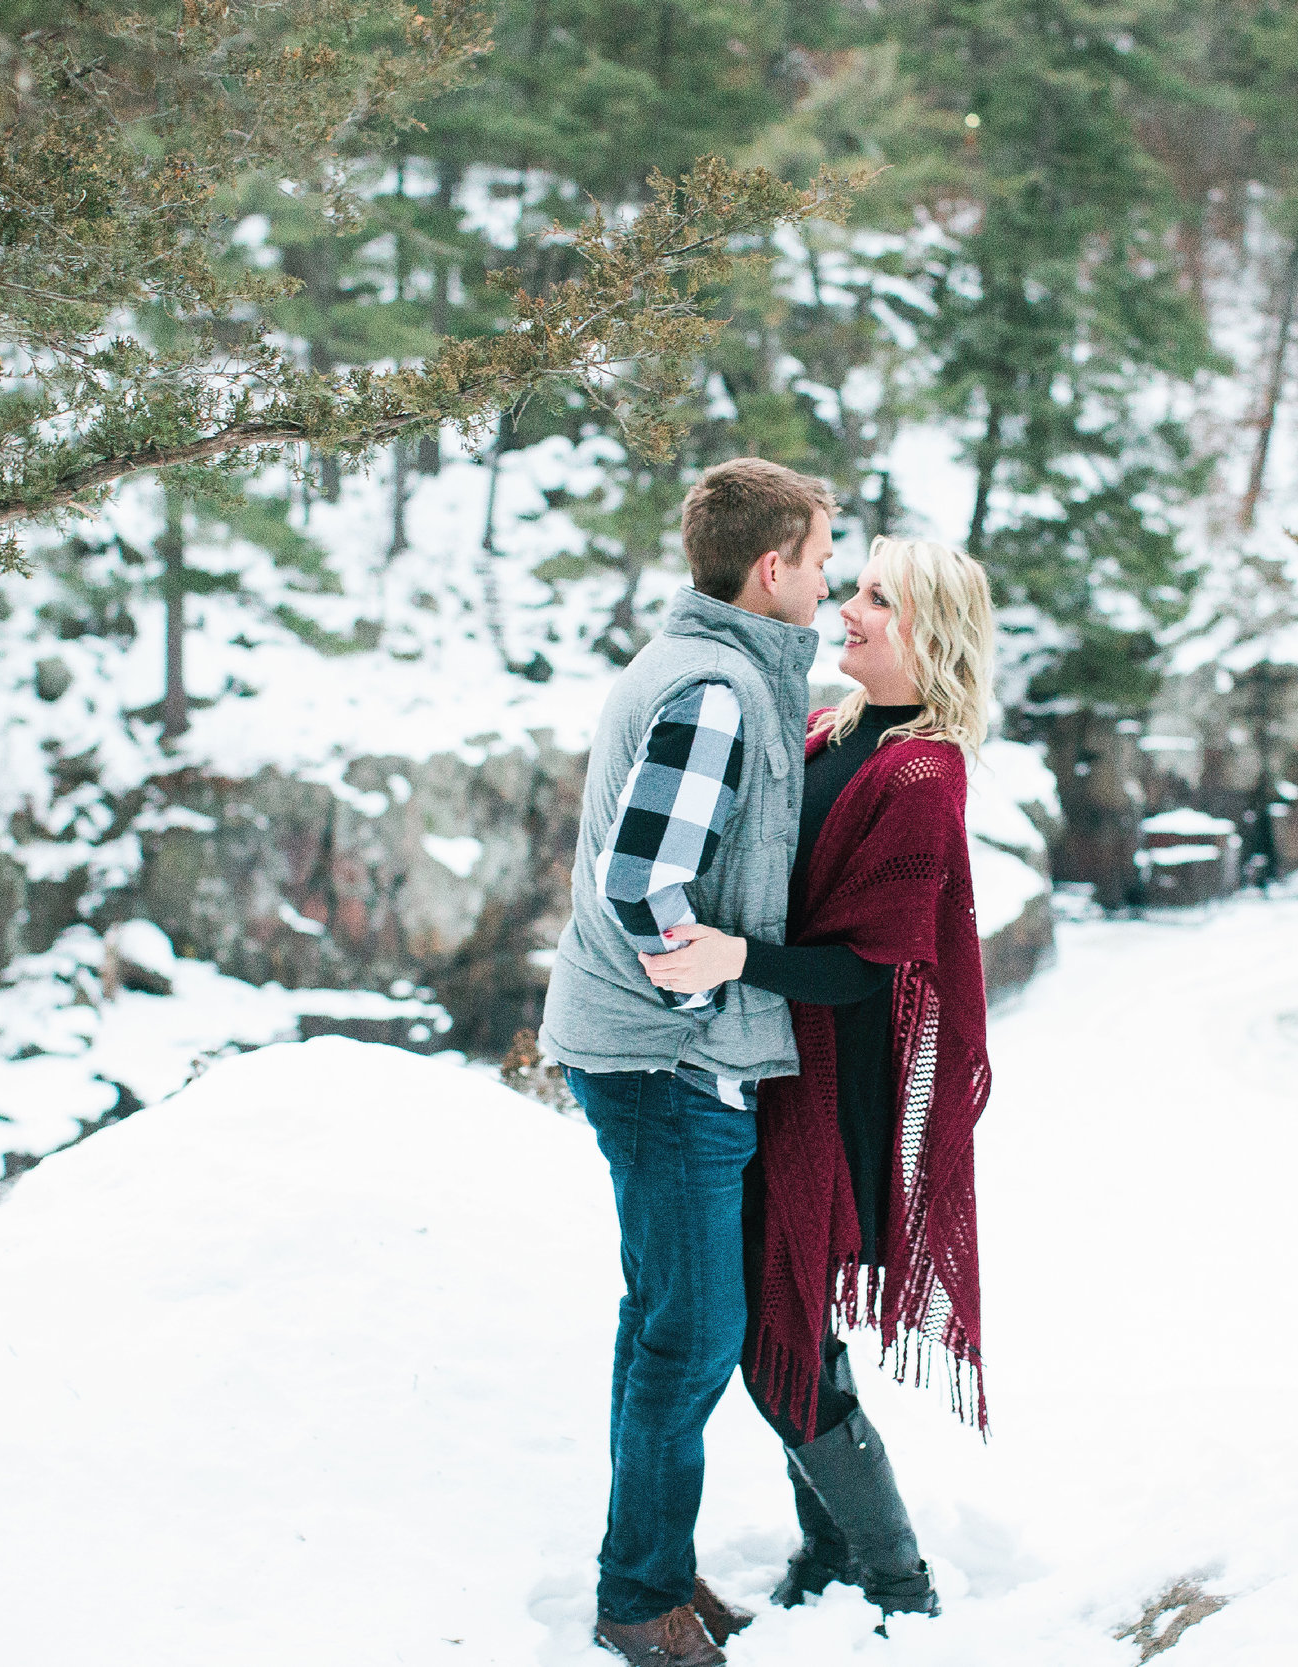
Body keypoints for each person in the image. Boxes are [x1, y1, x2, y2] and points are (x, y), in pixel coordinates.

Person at [641, 536, 996, 1632]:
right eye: (854, 585)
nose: (848, 608)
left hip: (833, 1079)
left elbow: (864, 962)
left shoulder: (923, 770)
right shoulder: (830, 729)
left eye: (877, 598)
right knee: (786, 1321)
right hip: (771, 1062)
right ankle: (833, 1550)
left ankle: (895, 1576)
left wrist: (734, 958)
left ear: (928, 631)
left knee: (774, 1328)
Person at [538, 457, 835, 1667]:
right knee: (695, 1332)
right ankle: (636, 1596)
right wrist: (706, 979)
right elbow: (638, 875)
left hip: (656, 1052)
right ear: (770, 568)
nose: (830, 577)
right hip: (669, 1059)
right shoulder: (715, 690)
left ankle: (649, 1567)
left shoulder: (715, 670)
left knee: (661, 1319)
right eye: (820, 557)